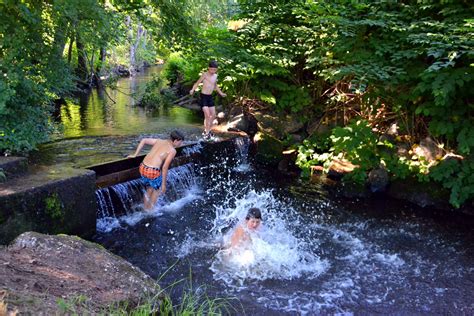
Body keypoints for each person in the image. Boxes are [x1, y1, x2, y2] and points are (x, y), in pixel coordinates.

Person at [127, 130, 184, 211]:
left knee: (150, 188)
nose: (181, 144)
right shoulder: (172, 150)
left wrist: (135, 155)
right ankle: (150, 211)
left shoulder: (159, 140)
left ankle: (145, 208)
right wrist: (163, 185)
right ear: (175, 140)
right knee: (157, 190)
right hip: (152, 171)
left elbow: (144, 140)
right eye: (180, 142)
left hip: (143, 167)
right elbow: (164, 167)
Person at [189, 60, 227, 140]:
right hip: (203, 97)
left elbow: (215, 86)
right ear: (208, 68)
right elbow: (197, 83)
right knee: (207, 114)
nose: (213, 71)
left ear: (216, 69)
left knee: (213, 115)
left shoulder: (215, 76)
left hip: (210, 97)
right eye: (212, 69)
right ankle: (206, 132)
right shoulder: (204, 75)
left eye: (215, 70)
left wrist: (221, 93)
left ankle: (208, 131)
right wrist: (192, 90)